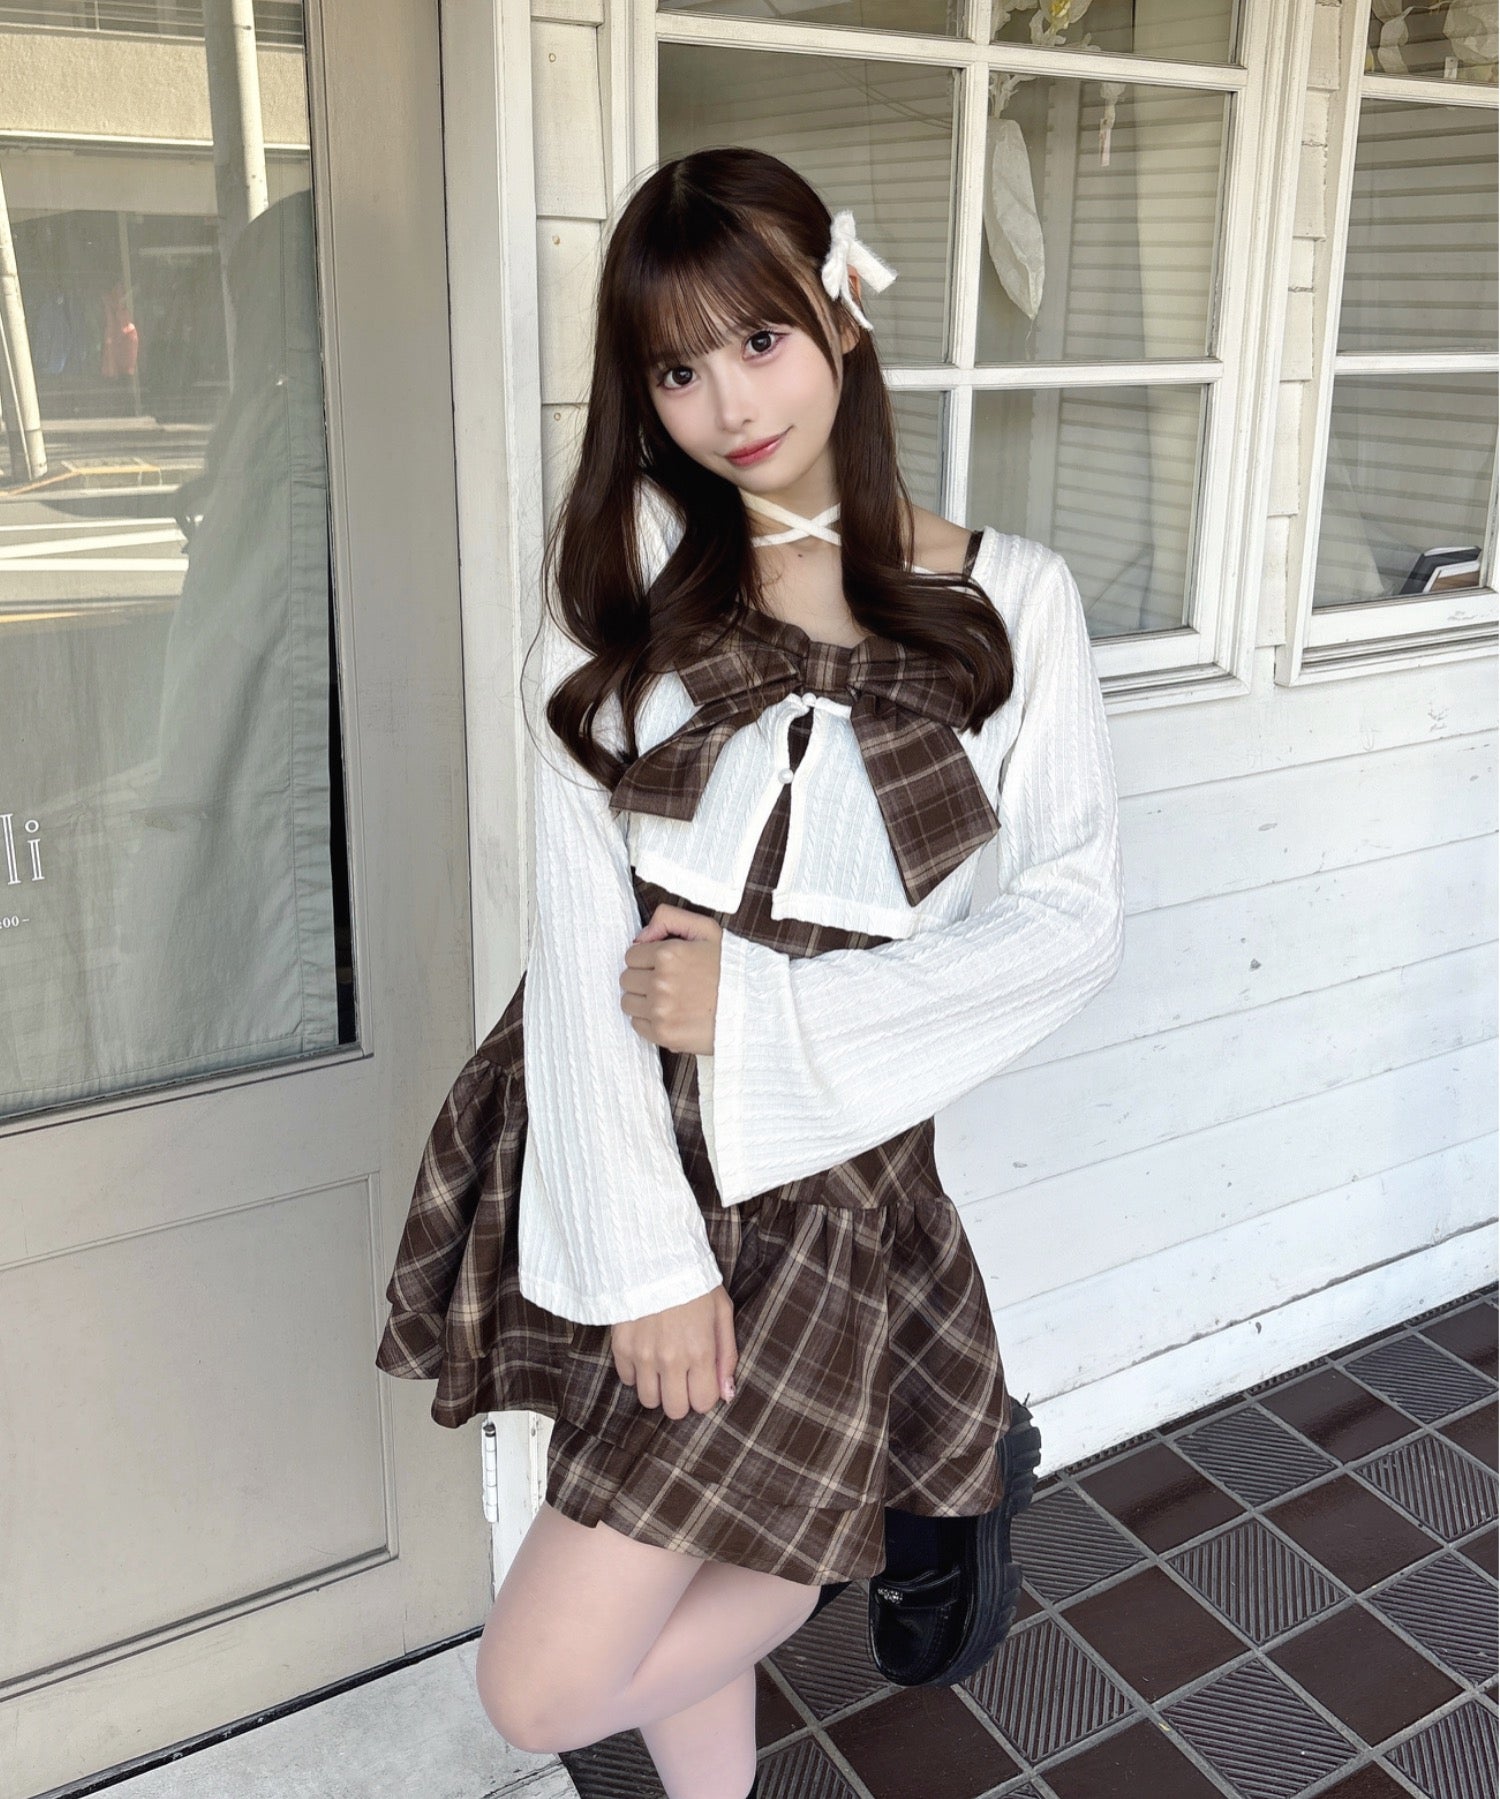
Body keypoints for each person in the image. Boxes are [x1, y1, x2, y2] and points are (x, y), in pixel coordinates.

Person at [374, 145, 1125, 1799]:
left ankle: (888, 1517)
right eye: (676, 368)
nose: (729, 402)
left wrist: (766, 1011)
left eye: (761, 339)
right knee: (670, 1540)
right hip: (611, 1139)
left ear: (843, 315)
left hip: (827, 1183)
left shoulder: (1015, 602)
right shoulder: (622, 590)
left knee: (542, 1686)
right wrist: (646, 1257)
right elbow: (577, 937)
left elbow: (1073, 920)